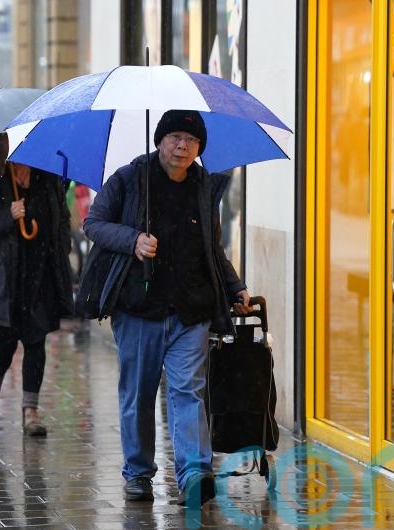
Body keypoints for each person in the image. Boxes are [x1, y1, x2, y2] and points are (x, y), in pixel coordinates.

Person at [81, 109, 252, 506]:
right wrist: (133, 240)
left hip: (190, 309)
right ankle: (138, 473)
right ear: (159, 140)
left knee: (188, 391)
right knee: (138, 394)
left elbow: (212, 248)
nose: (182, 145)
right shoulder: (129, 178)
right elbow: (94, 223)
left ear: (199, 148)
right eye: (174, 137)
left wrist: (234, 286)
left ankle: (194, 473)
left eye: (190, 140)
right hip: (139, 307)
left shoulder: (203, 187)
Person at [0, 134, 73, 436]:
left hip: (40, 273)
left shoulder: (47, 176)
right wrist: (8, 216)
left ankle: (31, 410)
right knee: (2, 340)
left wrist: (62, 247)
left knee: (35, 340)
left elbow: (61, 219)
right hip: (4, 277)